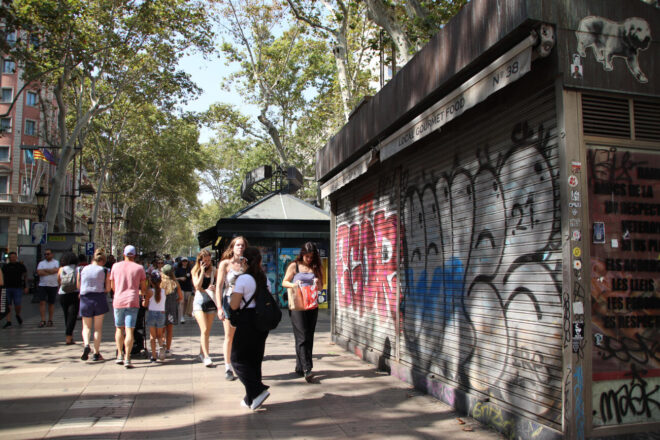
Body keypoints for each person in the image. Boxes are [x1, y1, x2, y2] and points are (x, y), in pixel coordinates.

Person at [230, 246, 271, 410]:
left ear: (245, 261)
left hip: (247, 320)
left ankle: (258, 390)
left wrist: (234, 292)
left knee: (237, 359)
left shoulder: (243, 279)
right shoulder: (264, 278)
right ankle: (250, 398)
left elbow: (234, 305)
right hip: (262, 321)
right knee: (254, 360)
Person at [282, 242, 323, 383]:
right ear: (302, 254)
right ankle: (307, 369)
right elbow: (284, 282)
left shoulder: (315, 267)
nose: (309, 259)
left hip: (311, 304)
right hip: (298, 305)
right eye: (307, 256)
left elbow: (320, 287)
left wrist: (317, 283)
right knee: (302, 335)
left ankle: (300, 366)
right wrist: (294, 284)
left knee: (308, 335)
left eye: (311, 256)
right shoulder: (294, 266)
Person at [215, 236, 248, 381]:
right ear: (232, 247)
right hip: (228, 302)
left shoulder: (246, 264)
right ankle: (228, 367)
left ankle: (240, 365)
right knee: (229, 336)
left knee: (242, 337)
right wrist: (219, 307)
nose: (240, 248)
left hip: (243, 304)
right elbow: (219, 287)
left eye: (242, 246)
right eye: (238, 245)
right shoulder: (225, 264)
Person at [110, 245, 148, 368]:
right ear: (135, 255)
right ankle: (127, 357)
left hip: (118, 300)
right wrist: (142, 296)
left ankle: (119, 354)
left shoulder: (115, 266)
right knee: (129, 330)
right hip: (132, 300)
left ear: (124, 254)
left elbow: (113, 286)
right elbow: (143, 288)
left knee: (119, 329)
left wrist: (119, 293)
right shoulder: (139, 268)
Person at [78, 248, 111, 361]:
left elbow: (79, 286)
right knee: (97, 328)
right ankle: (96, 353)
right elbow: (108, 288)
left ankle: (86, 345)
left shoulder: (81, 269)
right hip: (99, 298)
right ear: (103, 260)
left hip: (85, 298)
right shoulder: (105, 270)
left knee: (86, 326)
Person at [191, 249, 216, 367]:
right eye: (205, 260)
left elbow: (221, 283)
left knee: (206, 331)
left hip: (211, 301)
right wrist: (201, 271)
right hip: (199, 301)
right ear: (200, 260)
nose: (207, 262)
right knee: (204, 329)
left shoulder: (214, 270)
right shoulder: (195, 270)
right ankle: (207, 356)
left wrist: (215, 287)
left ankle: (202, 353)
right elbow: (197, 286)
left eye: (209, 260)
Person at [144, 270, 166, 363]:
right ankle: (161, 347)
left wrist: (143, 301)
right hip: (161, 313)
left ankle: (153, 356)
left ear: (151, 281)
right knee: (160, 335)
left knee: (152, 336)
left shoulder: (149, 292)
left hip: (152, 313)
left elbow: (145, 304)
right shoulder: (164, 291)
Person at [57, 252, 80, 345]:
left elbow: (59, 281)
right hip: (74, 294)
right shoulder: (77, 269)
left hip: (63, 294)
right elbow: (79, 282)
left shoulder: (61, 269)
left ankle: (69, 335)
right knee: (72, 316)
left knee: (66, 315)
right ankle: (69, 336)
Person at [160, 264, 183, 356]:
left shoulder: (160, 283)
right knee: (169, 330)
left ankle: (162, 346)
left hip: (161, 308)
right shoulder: (175, 283)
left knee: (162, 330)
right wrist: (175, 301)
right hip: (172, 309)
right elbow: (180, 297)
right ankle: (168, 349)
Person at [2, 251, 27, 328]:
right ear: (9, 258)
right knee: (8, 305)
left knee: (17, 304)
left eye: (14, 257)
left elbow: (25, 275)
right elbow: (2, 276)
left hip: (17, 288)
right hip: (7, 287)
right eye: (11, 257)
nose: (12, 258)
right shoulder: (5, 266)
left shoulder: (20, 266)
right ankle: (8, 321)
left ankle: (17, 314)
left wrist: (26, 286)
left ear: (16, 257)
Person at [36, 249, 59, 328]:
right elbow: (39, 272)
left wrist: (45, 270)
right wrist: (51, 271)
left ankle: (50, 320)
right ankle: (43, 320)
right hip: (42, 285)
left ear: (52, 254)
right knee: (42, 302)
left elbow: (57, 270)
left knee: (51, 303)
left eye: (48, 254)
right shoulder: (41, 263)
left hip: (53, 285)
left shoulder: (56, 262)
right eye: (45, 254)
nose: (46, 255)